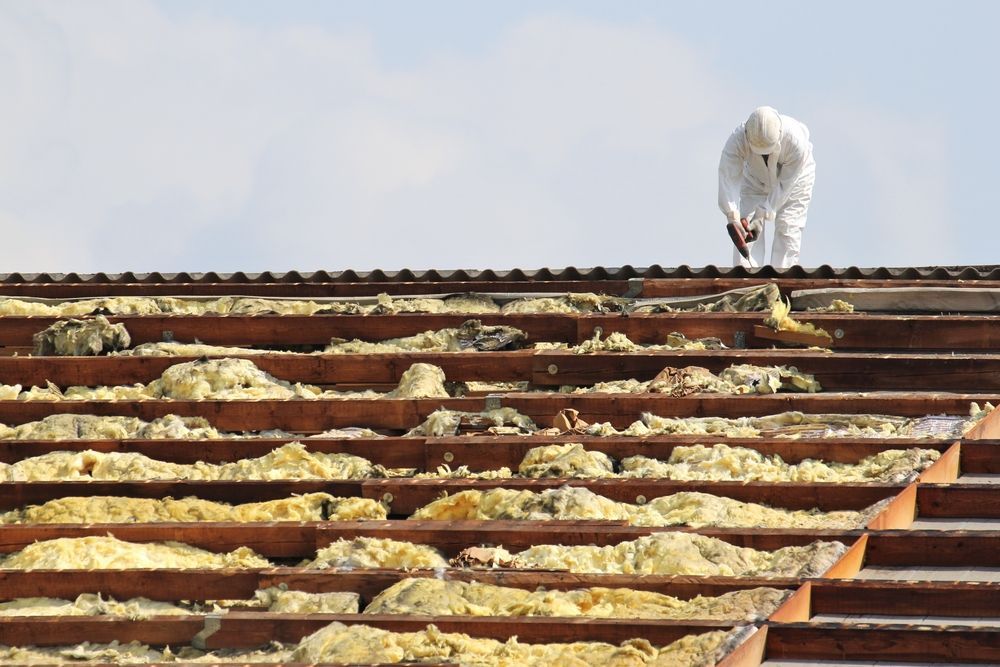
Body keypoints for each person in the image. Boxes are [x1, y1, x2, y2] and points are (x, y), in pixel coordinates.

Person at [718, 106, 815, 269]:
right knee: (745, 224)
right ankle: (745, 277)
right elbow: (727, 176)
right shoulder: (737, 139)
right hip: (755, 178)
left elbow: (785, 186)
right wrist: (732, 217)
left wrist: (763, 213)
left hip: (796, 180)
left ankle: (783, 278)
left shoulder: (795, 141)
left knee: (787, 225)